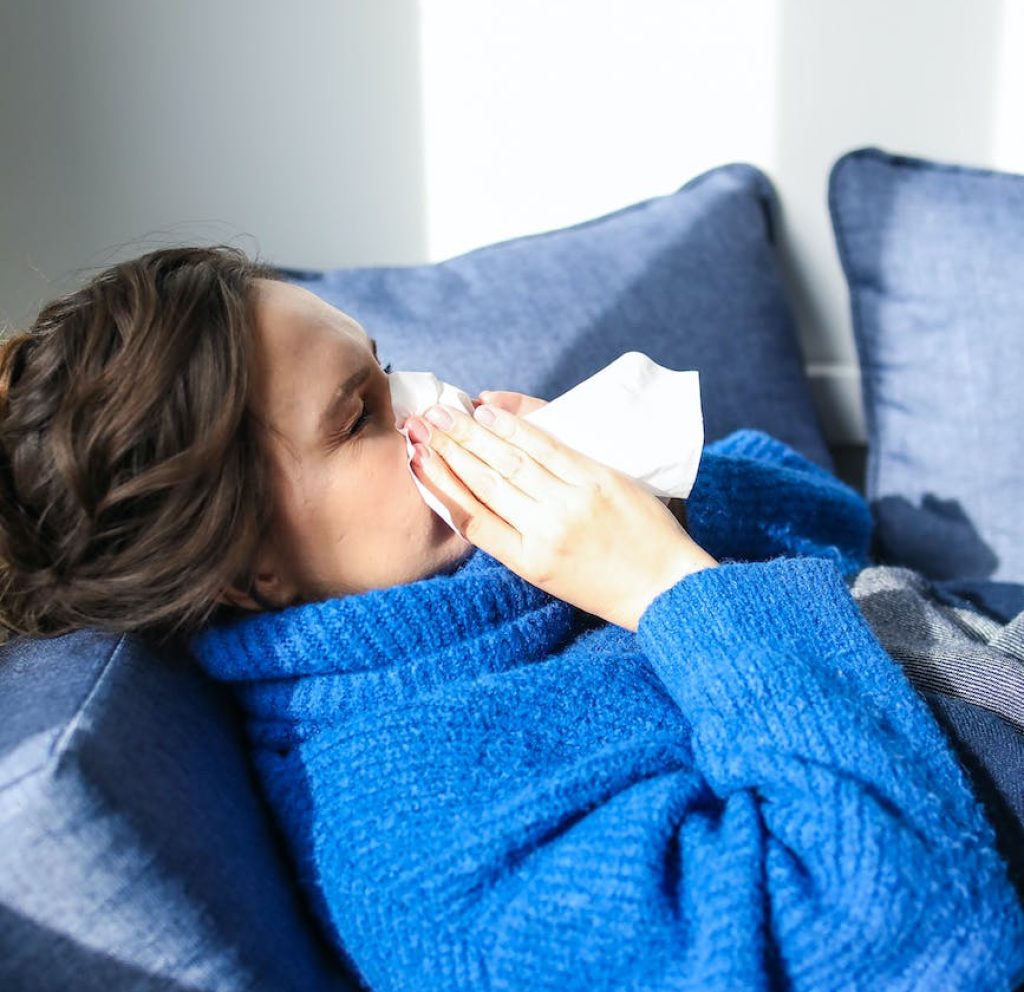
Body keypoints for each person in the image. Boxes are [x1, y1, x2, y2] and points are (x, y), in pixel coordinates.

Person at [0, 246, 1021, 990]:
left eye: (386, 364)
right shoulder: (417, 845)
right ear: (248, 569)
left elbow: (839, 528)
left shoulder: (491, 578)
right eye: (361, 415)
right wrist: (666, 589)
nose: (431, 400)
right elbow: (908, 942)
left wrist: (652, 499)